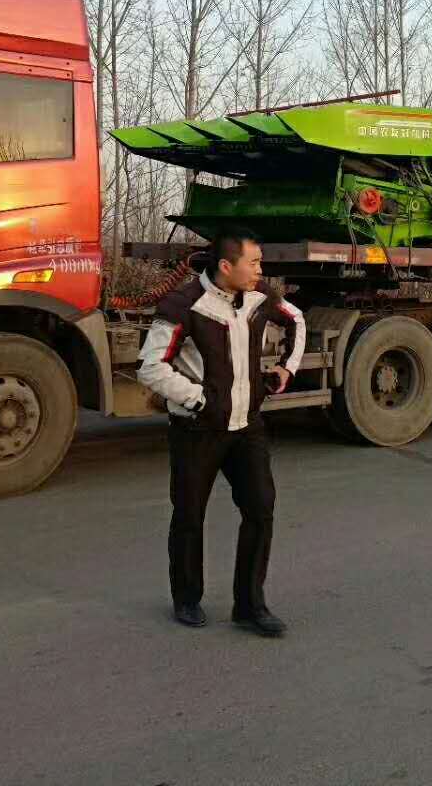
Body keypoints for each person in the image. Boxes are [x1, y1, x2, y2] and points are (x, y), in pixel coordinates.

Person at [137, 228, 306, 635]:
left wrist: (287, 369)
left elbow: (297, 320)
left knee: (260, 509)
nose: (261, 270)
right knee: (189, 515)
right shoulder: (183, 304)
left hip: (248, 427)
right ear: (227, 266)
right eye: (254, 263)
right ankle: (187, 598)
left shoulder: (260, 295)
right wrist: (199, 401)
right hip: (197, 430)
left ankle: (250, 606)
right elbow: (151, 367)